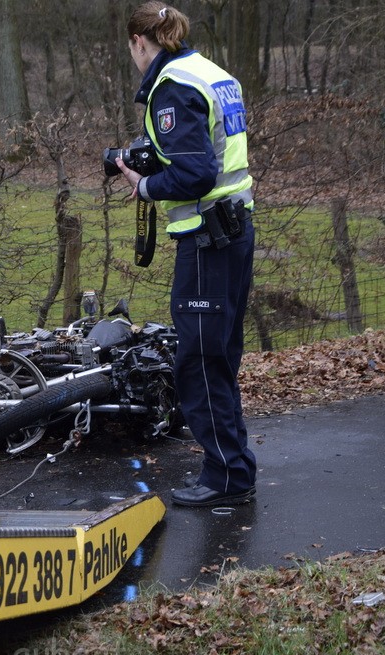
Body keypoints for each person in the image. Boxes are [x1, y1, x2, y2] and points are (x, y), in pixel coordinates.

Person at [115, 2, 257, 507]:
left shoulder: (171, 86)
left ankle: (226, 478)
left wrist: (146, 183)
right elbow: (212, 152)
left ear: (139, 41)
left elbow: (195, 173)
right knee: (220, 357)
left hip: (206, 240)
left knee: (198, 362)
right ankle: (234, 468)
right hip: (235, 230)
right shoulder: (215, 73)